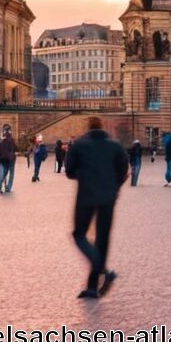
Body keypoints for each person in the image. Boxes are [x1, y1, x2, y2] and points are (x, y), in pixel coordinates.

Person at [64, 116, 128, 299]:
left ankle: (100, 271)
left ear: (88, 127)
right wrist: (114, 186)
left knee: (79, 234)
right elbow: (124, 170)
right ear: (102, 127)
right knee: (102, 240)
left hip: (86, 195)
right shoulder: (114, 145)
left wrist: (84, 175)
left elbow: (69, 171)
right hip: (108, 197)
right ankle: (92, 286)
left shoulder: (79, 145)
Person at [0, 127, 16, 194]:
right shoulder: (10, 140)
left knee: (3, 174)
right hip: (8, 159)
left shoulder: (1, 141)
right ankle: (7, 188)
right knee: (9, 174)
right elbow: (16, 148)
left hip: (3, 159)